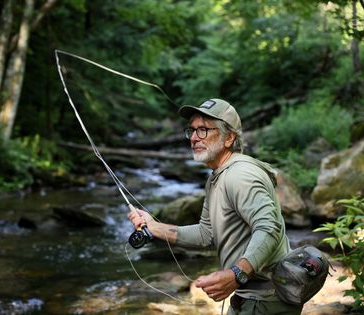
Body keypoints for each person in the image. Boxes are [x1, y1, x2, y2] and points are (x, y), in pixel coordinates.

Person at [128, 98, 302, 314]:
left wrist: (237, 274)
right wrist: (154, 227)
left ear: (229, 137)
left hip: (267, 299)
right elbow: (206, 234)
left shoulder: (240, 175)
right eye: (191, 130)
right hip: (251, 295)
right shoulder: (218, 176)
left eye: (203, 130)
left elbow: (269, 228)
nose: (193, 138)